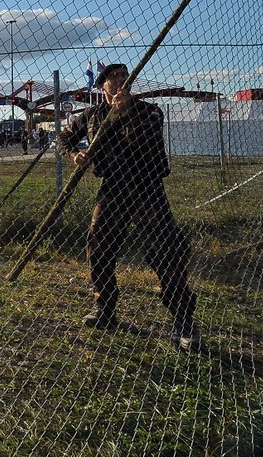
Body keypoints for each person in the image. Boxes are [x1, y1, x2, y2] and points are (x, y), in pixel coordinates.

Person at [58, 63, 200, 351]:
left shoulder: (148, 111)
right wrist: (74, 154)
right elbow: (64, 137)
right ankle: (105, 308)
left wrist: (125, 113)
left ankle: (183, 320)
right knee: (99, 247)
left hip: (147, 187)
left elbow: (146, 141)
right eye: (114, 77)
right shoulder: (92, 115)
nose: (121, 80)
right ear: (101, 86)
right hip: (114, 188)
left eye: (124, 76)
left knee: (166, 253)